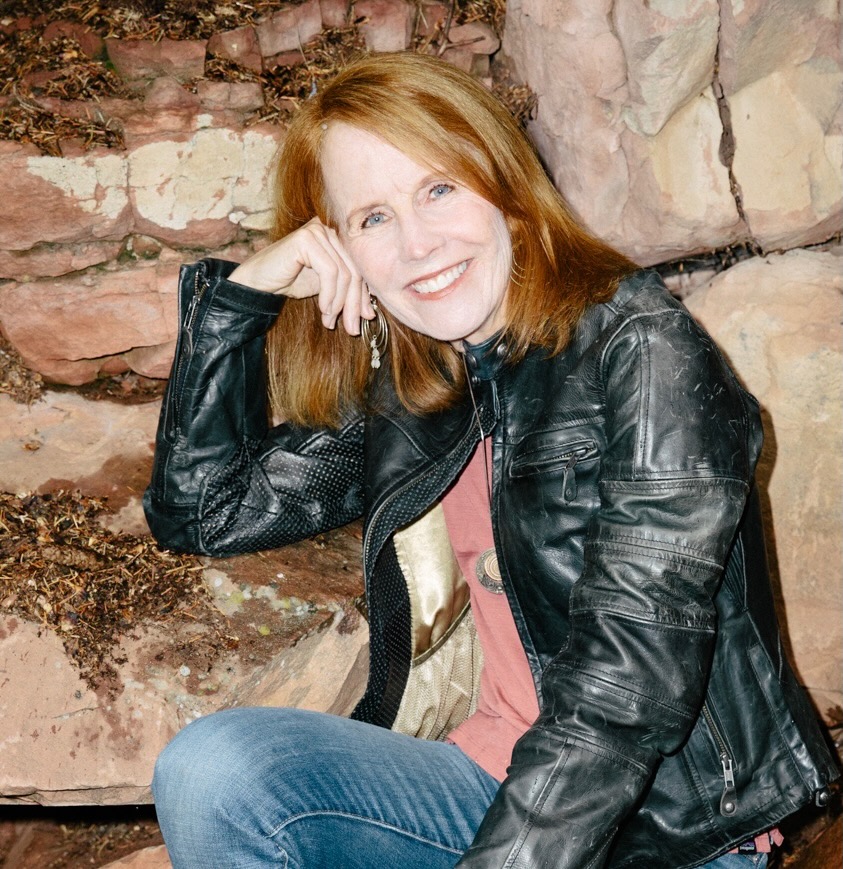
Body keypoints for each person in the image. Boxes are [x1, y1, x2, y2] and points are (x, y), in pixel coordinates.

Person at [144, 52, 837, 869]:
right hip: (488, 783)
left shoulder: (640, 350)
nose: (417, 244)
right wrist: (239, 297)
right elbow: (205, 511)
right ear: (341, 249)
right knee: (214, 769)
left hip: (668, 831)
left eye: (438, 189)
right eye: (372, 218)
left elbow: (626, 690)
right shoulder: (428, 380)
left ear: (503, 185)